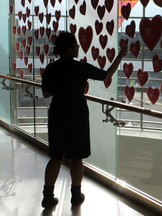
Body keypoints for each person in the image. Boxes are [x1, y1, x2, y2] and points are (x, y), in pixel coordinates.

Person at [41, 32, 128, 208]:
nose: (78, 47)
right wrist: (120, 56)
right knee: (76, 157)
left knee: (56, 157)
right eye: (75, 45)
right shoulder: (80, 68)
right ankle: (75, 195)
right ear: (69, 48)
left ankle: (48, 196)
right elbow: (106, 74)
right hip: (77, 114)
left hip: (57, 113)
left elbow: (46, 93)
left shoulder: (51, 68)